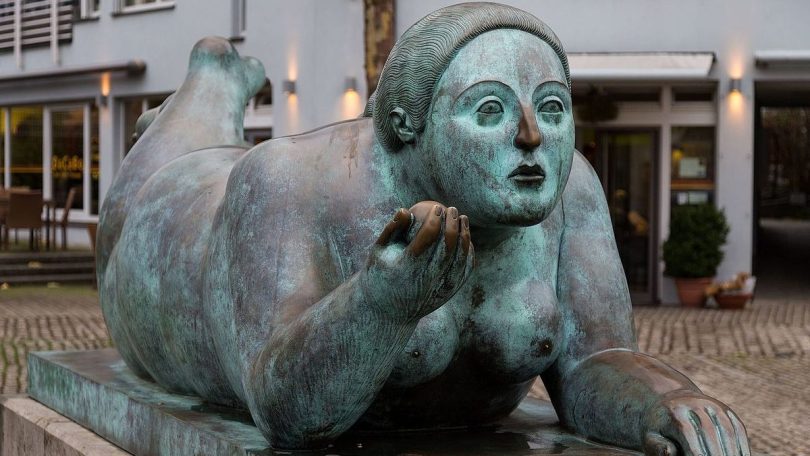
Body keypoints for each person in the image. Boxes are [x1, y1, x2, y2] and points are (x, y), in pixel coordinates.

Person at [98, 3, 750, 454]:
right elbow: (284, 411)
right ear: (408, 122)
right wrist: (376, 306)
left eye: (552, 108)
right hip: (168, 227)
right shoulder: (284, 180)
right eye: (489, 109)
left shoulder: (570, 186)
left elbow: (592, 361)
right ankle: (213, 77)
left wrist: (663, 400)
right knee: (177, 156)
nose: (532, 135)